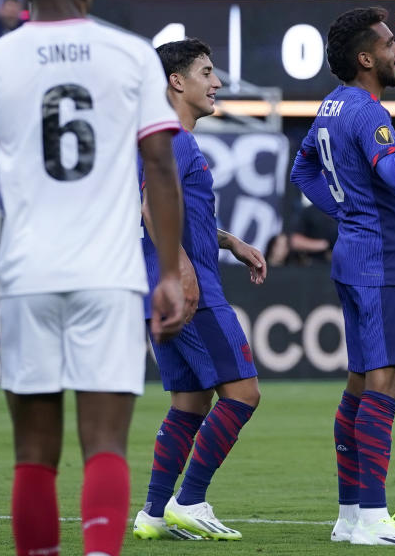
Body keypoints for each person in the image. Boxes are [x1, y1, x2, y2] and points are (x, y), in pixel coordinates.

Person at [0, 0, 185, 556]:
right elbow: (160, 166)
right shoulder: (130, 55)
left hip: (27, 277)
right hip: (109, 275)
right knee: (104, 445)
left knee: (33, 455)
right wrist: (165, 271)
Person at [290, 6, 395, 546]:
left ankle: (348, 515)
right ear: (367, 58)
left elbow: (303, 170)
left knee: (361, 385)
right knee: (386, 384)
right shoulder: (367, 112)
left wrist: (344, 210)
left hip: (354, 256)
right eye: (389, 45)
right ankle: (372, 517)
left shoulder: (331, 105)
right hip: (382, 261)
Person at [133, 38, 267, 542]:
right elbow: (151, 209)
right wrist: (184, 270)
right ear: (176, 81)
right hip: (189, 287)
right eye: (207, 73)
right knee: (243, 394)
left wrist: (230, 242)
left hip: (160, 282)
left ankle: (152, 513)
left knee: (189, 403)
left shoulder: (159, 139)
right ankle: (190, 500)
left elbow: (175, 213)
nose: (215, 83)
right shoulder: (173, 138)